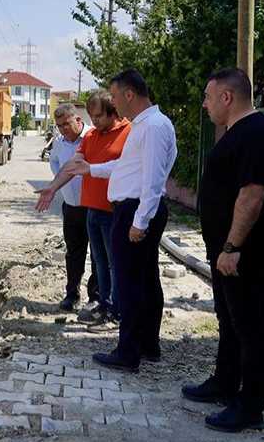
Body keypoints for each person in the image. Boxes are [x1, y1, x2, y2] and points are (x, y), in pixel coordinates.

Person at [36, 69, 176, 371]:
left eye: (113, 96)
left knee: (130, 283)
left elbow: (152, 179)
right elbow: (128, 167)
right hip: (135, 207)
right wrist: (92, 170)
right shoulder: (151, 124)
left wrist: (140, 221)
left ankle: (129, 352)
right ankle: (147, 345)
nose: (113, 102)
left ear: (128, 94)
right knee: (144, 280)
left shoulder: (150, 127)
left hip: (135, 209)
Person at [182, 68, 264, 433]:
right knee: (229, 320)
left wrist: (231, 246)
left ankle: (250, 406)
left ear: (227, 97)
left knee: (250, 326)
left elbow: (252, 197)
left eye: (208, 98)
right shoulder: (237, 133)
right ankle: (225, 382)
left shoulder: (256, 135)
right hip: (227, 251)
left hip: (245, 252)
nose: (206, 105)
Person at [75, 89, 132, 330]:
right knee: (99, 262)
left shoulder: (129, 133)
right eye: (91, 117)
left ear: (113, 112)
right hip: (92, 210)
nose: (93, 122)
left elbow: (125, 167)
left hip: (113, 211)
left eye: (98, 116)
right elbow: (76, 162)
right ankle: (104, 303)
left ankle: (116, 311)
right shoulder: (91, 136)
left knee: (115, 263)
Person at [47, 104, 94, 311]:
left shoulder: (92, 136)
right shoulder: (59, 142)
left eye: (66, 123)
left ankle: (96, 297)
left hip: (93, 206)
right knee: (74, 252)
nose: (63, 129)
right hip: (71, 206)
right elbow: (54, 162)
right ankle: (72, 295)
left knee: (98, 255)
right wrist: (62, 183)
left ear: (78, 120)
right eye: (59, 125)